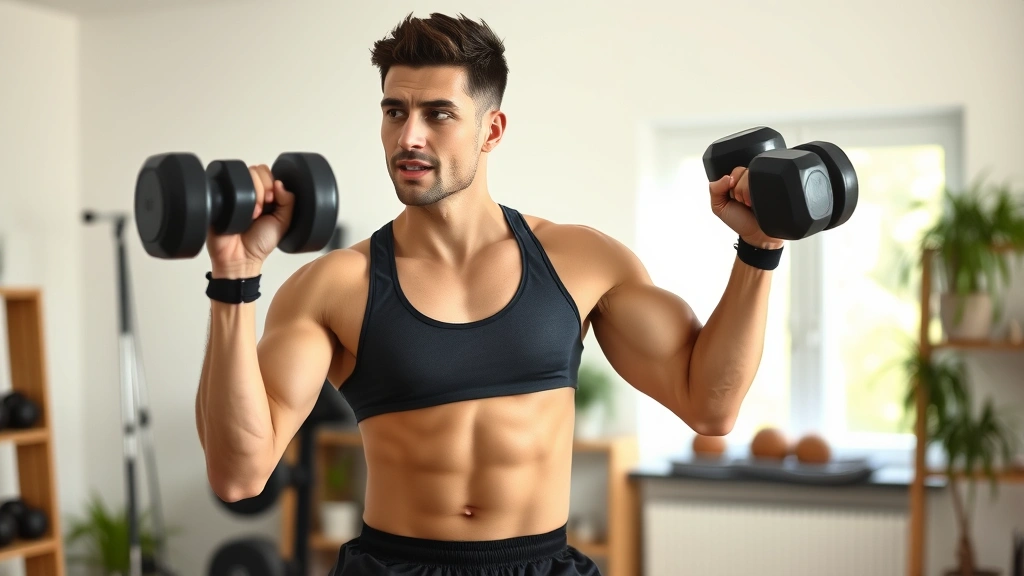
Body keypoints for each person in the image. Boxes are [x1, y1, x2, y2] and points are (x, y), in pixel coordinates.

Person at [194, 12, 783, 576]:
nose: (409, 136)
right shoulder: (334, 287)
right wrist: (234, 279)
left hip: (544, 564)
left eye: (438, 113)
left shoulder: (581, 262)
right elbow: (240, 475)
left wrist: (759, 250)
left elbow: (710, 405)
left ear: (491, 129)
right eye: (394, 112)